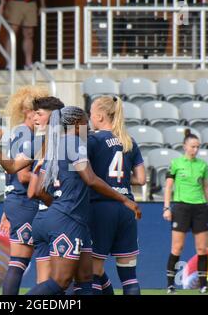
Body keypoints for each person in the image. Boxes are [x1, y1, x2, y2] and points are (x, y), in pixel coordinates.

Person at [0, 106, 140, 295]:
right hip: (67, 219)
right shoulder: (73, 143)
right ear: (75, 123)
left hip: (62, 218)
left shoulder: (52, 146)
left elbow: (32, 187)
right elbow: (90, 179)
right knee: (60, 282)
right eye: (84, 121)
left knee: (85, 278)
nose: (88, 126)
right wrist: (124, 200)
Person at [88, 96, 146, 295]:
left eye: (91, 113)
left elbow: (86, 175)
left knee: (93, 272)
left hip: (102, 207)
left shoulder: (93, 140)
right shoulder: (129, 141)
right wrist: (121, 181)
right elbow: (142, 178)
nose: (89, 117)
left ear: (100, 116)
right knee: (129, 277)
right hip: (127, 208)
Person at [0, 86, 48, 295]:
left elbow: (12, 175)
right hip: (27, 203)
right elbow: (22, 175)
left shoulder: (20, 133)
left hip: (16, 201)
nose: (39, 115)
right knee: (29, 262)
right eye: (36, 111)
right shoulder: (27, 136)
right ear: (27, 111)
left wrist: (7, 212)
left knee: (18, 262)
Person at [163, 129, 208, 294]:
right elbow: (168, 187)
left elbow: (206, 187)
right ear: (185, 146)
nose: (196, 150)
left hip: (200, 208)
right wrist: (166, 207)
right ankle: (170, 285)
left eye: (198, 147)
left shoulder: (202, 165)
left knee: (202, 249)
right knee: (177, 247)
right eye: (193, 146)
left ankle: (203, 285)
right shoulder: (176, 163)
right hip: (181, 207)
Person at [2, 0, 45, 70]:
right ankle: (9, 62)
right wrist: (3, 4)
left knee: (29, 33)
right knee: (12, 32)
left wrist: (42, 5)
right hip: (15, 2)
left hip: (31, 3)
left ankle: (28, 63)